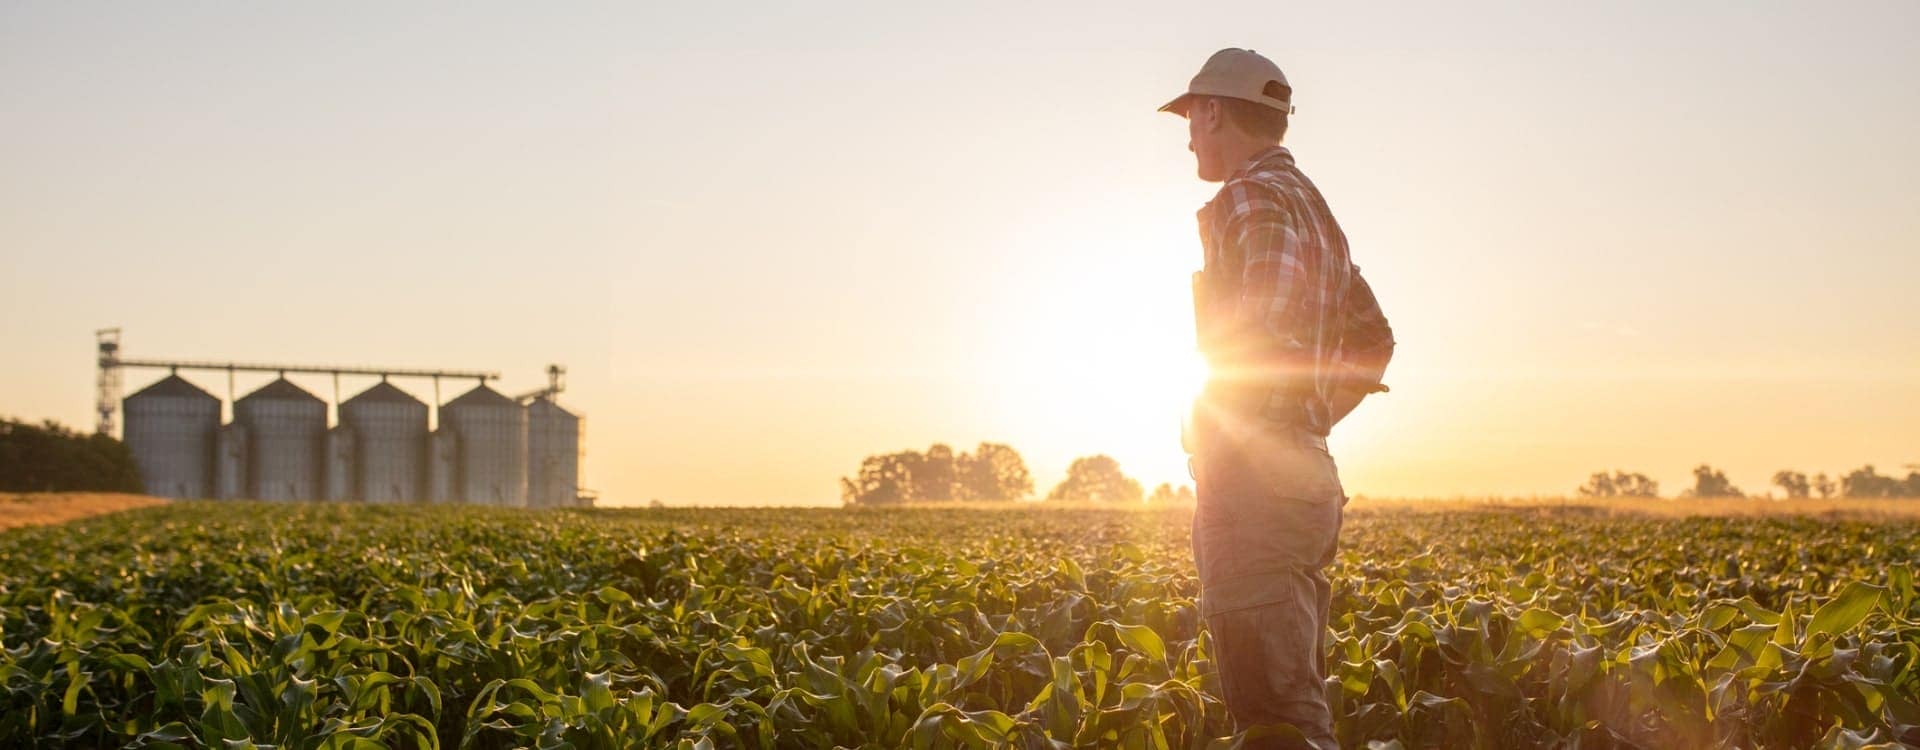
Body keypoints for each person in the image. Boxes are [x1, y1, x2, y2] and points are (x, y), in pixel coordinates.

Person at [1161, 48, 1395, 749]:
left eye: (1192, 118)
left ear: (1211, 110)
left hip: (1256, 486)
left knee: (1272, 719)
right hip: (1307, 478)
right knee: (1292, 695)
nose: (1188, 136)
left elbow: (1263, 317)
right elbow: (1373, 339)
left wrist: (1236, 427)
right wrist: (1304, 421)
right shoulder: (1314, 206)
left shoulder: (1249, 196)